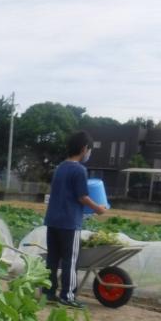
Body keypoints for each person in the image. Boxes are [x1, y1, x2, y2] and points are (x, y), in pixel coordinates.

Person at [43, 131, 107, 309]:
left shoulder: (60, 167)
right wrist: (98, 209)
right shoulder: (79, 170)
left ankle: (48, 292)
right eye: (89, 149)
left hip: (53, 220)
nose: (89, 153)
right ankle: (68, 295)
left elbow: (65, 194)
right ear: (84, 148)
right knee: (70, 260)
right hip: (69, 223)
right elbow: (82, 197)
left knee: (52, 260)